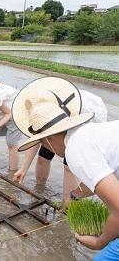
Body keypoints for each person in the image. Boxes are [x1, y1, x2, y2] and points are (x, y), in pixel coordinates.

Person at [12, 80, 119, 260]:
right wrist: (78, 192)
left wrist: (100, 241)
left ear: (48, 140)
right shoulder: (91, 132)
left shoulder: (75, 149)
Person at [12, 77, 108, 205]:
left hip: (84, 118)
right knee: (42, 158)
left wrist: (76, 194)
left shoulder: (79, 124)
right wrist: (23, 169)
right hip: (56, 123)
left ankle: (67, 205)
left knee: (68, 166)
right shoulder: (42, 110)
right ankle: (40, 188)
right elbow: (37, 137)